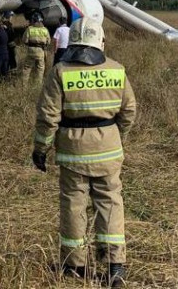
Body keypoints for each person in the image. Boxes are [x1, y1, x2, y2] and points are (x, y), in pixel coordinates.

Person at [32, 16, 136, 287]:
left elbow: (48, 116)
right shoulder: (117, 70)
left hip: (73, 153)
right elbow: (129, 111)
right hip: (109, 150)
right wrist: (117, 137)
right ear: (100, 41)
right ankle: (115, 266)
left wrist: (40, 148)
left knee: (73, 205)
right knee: (111, 202)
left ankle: (75, 266)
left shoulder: (60, 72)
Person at [21, 11, 50, 86]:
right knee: (40, 69)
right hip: (41, 51)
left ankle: (24, 86)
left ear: (33, 20)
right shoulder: (45, 30)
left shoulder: (30, 29)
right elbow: (48, 41)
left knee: (27, 68)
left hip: (31, 50)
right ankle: (38, 86)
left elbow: (24, 40)